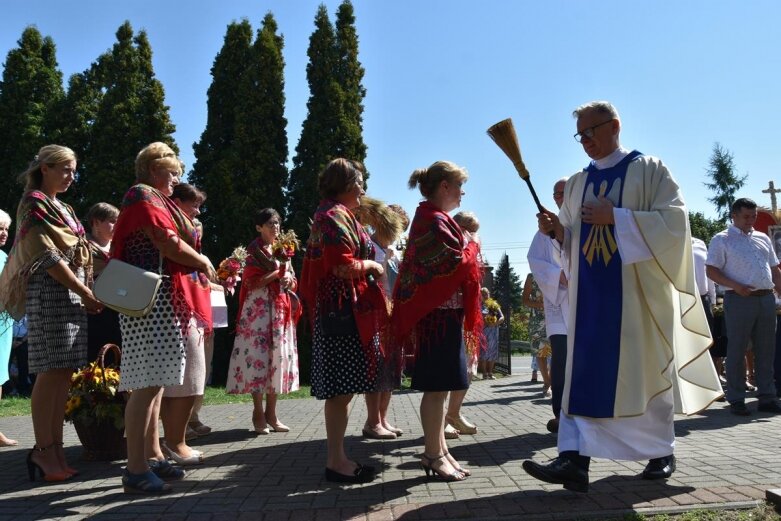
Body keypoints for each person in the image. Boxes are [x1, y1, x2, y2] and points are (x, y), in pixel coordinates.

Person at [523, 101, 721, 492]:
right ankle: (573, 460)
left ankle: (660, 453)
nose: (585, 141)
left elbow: (675, 225)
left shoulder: (649, 170)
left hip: (638, 298)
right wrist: (555, 232)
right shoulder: (578, 182)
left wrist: (618, 217)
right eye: (580, 135)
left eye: (591, 131)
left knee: (642, 371)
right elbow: (572, 243)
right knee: (582, 374)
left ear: (614, 125)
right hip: (588, 300)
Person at [111, 142, 216, 494]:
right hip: (150, 302)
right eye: (172, 173)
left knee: (153, 386)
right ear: (154, 170)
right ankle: (135, 470)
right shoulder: (143, 194)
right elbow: (166, 241)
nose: (176, 180)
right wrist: (201, 261)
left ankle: (151, 457)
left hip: (157, 302)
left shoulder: (153, 197)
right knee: (146, 386)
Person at [0, 145, 103, 480]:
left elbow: (82, 251)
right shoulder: (34, 202)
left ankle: (55, 449)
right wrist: (85, 291)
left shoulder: (67, 206)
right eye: (64, 169)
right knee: (49, 371)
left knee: (63, 374)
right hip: (51, 294)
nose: (70, 176)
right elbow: (47, 255)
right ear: (45, 167)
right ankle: (44, 451)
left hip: (72, 296)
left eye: (74, 171)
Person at [391, 161, 482, 482]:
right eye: (459, 186)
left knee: (442, 388)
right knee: (436, 389)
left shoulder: (436, 218)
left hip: (444, 316)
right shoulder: (431, 220)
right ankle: (432, 453)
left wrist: (467, 244)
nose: (462, 193)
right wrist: (472, 244)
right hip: (436, 319)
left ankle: (440, 450)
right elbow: (450, 264)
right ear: (444, 186)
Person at [300, 158, 388, 484]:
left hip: (343, 311)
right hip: (340, 313)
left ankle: (338, 457)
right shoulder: (332, 217)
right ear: (348, 184)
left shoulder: (338, 214)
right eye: (361, 182)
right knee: (340, 391)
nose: (364, 188)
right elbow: (341, 266)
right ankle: (336, 461)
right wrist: (373, 267)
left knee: (344, 391)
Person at [226, 208, 300, 434]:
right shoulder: (252, 251)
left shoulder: (283, 251)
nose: (275, 228)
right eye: (270, 224)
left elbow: (292, 281)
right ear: (259, 227)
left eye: (277, 223)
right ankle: (258, 412)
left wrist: (289, 279)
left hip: (279, 309)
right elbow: (251, 284)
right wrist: (277, 274)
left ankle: (273, 414)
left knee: (276, 358)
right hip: (257, 311)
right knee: (258, 358)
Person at [705, 198, 781, 416]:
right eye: (746, 216)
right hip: (739, 299)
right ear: (734, 216)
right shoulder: (722, 239)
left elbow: (774, 270)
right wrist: (736, 286)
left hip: (766, 299)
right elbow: (711, 271)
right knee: (737, 349)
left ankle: (767, 396)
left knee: (766, 348)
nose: (751, 220)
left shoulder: (763, 238)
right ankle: (736, 398)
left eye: (754, 216)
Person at [160, 183, 213, 461]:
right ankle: (174, 442)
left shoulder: (183, 223)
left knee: (188, 377)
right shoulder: (169, 220)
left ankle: (174, 441)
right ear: (177, 202)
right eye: (193, 204)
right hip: (177, 301)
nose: (197, 211)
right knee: (187, 377)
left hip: (188, 300)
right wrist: (201, 257)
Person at [353, 197, 405, 440]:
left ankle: (383, 419)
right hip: (375, 315)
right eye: (398, 226)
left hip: (392, 314)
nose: (399, 233)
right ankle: (372, 421)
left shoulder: (392, 251)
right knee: (375, 370)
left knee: (391, 370)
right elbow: (368, 281)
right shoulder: (372, 248)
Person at [527, 178, 570, 433]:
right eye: (555, 193)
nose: (558, 197)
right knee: (562, 361)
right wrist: (559, 276)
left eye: (564, 192)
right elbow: (535, 261)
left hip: (584, 304)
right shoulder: (543, 231)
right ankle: (562, 414)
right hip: (560, 304)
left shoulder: (583, 221)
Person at [188, 218, 225, 437]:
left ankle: (194, 416)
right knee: (190, 372)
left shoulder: (204, 257)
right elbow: (195, 282)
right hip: (190, 317)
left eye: (199, 231)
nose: (197, 235)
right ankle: (181, 423)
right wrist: (216, 285)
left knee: (203, 369)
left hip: (208, 318)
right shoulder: (180, 254)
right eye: (193, 231)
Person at [84, 202, 121, 363]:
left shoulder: (119, 247)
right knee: (96, 355)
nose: (117, 225)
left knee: (117, 353)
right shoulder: (82, 245)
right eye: (112, 221)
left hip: (119, 308)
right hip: (94, 309)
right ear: (96, 222)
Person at [0, 209, 18, 447]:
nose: (4, 233)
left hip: (4, 326)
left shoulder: (4, 256)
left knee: (0, 377)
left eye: (5, 229)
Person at [522, 274, 552, 397]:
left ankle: (553, 382)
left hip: (558, 319)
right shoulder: (532, 277)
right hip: (537, 321)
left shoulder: (559, 272)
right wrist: (540, 305)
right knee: (540, 352)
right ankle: (547, 383)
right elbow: (524, 299)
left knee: (559, 352)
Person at [478, 287, 504, 380]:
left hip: (493, 332)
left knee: (492, 352)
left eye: (486, 294)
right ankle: (484, 373)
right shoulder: (478, 305)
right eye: (483, 294)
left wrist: (495, 323)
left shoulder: (494, 304)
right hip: (483, 331)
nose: (485, 296)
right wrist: (484, 322)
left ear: (489, 294)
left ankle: (490, 373)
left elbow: (502, 317)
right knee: (484, 352)